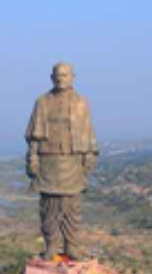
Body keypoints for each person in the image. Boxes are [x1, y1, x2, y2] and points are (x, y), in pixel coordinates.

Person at [25, 62, 99, 261]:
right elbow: (34, 137)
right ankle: (51, 245)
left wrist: (89, 156)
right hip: (48, 160)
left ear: (73, 77)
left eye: (65, 75)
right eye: (58, 75)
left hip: (72, 160)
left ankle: (71, 246)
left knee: (71, 207)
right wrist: (32, 158)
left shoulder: (81, 102)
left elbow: (88, 131)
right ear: (52, 78)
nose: (61, 78)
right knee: (49, 207)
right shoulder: (42, 102)